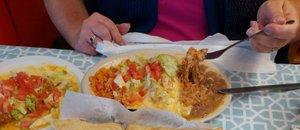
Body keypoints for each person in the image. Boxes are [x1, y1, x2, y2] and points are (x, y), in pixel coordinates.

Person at [44, 0, 300, 57]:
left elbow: (292, 8)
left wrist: (286, 20)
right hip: (117, 58)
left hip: (237, 65)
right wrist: (77, 26)